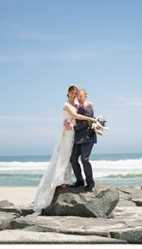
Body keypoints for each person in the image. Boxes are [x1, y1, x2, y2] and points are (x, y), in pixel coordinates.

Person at [32, 84, 95, 213]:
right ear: (68, 94)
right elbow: (76, 117)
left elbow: (84, 109)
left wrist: (87, 116)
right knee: (66, 156)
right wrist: (90, 119)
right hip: (68, 133)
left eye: (76, 93)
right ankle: (64, 180)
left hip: (75, 134)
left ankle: (75, 180)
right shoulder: (67, 104)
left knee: (74, 158)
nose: (75, 95)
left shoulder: (81, 104)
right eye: (72, 93)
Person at [68, 89, 97, 191]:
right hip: (78, 138)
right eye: (78, 96)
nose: (79, 98)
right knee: (73, 159)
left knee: (85, 160)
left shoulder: (88, 107)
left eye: (81, 96)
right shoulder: (78, 107)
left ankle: (90, 182)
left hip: (88, 137)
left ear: (86, 96)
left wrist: (73, 127)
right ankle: (79, 181)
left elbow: (86, 122)